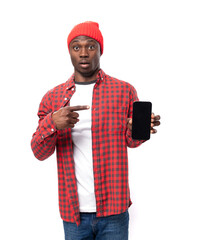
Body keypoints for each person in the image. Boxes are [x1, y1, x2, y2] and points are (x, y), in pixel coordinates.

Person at [31, 21, 161, 240]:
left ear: (100, 50)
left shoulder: (123, 91)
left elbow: (132, 142)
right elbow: (39, 152)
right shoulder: (53, 97)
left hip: (114, 209)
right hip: (73, 212)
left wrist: (137, 129)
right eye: (76, 47)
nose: (83, 53)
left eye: (91, 47)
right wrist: (52, 122)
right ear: (69, 52)